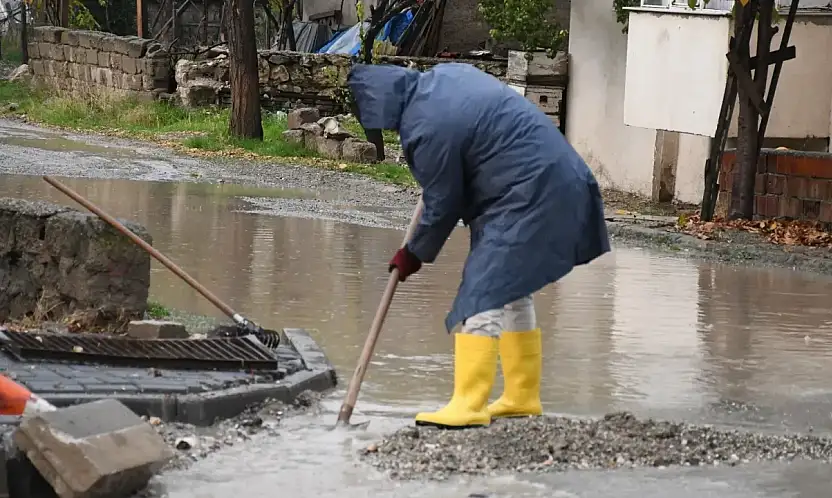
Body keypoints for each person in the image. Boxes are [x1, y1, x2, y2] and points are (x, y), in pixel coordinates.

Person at [346, 62, 611, 430]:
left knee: (482, 289)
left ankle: (469, 403)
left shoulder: (425, 126)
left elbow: (444, 201)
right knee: (512, 289)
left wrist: (413, 253)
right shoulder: (444, 79)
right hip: (554, 179)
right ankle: (522, 396)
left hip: (528, 192)